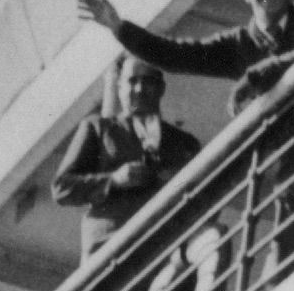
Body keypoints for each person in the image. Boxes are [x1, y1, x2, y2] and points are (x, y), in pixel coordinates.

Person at [78, 0, 294, 270]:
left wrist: (255, 76)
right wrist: (119, 27)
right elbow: (177, 55)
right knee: (287, 241)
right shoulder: (240, 43)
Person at [52, 58, 202, 261]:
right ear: (120, 87)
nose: (139, 89)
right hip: (110, 248)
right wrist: (113, 180)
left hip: (164, 245)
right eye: (132, 81)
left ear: (161, 88)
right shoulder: (98, 128)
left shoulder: (185, 143)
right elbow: (61, 188)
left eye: (148, 81)